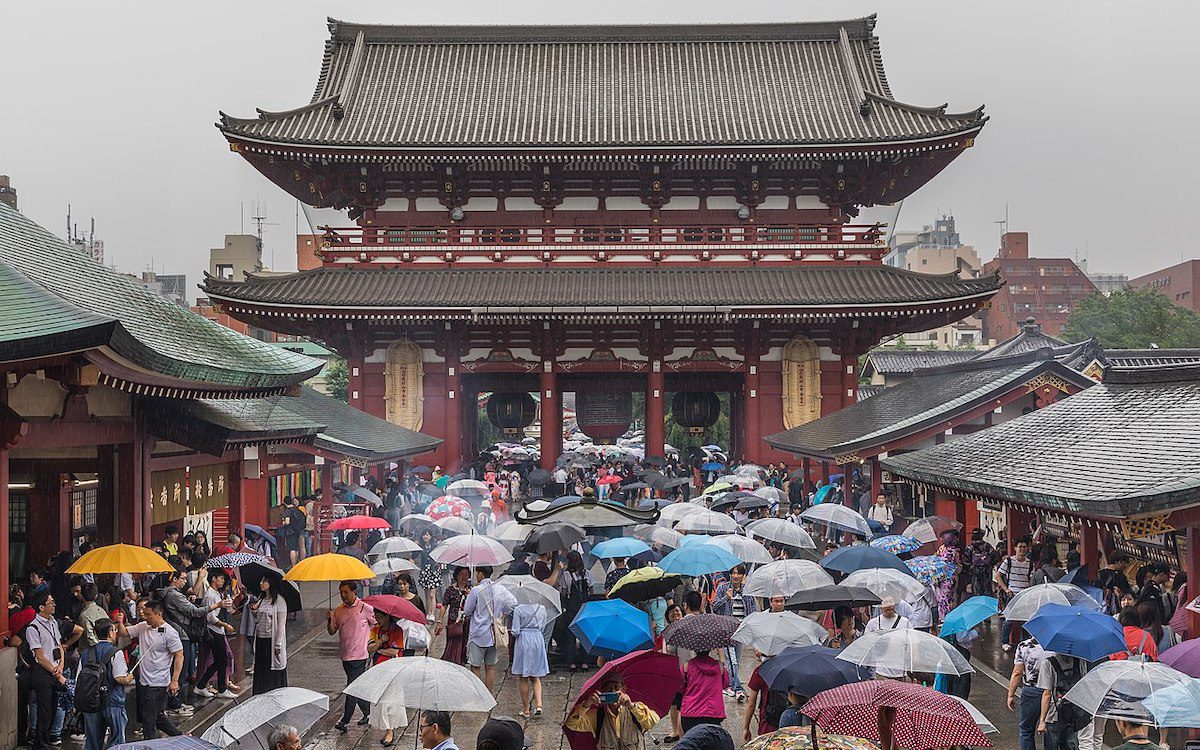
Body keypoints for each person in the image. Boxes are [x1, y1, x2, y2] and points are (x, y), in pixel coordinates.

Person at [160, 567, 229, 715]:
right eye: (183, 578)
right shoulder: (173, 595)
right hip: (180, 633)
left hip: (181, 633)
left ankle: (176, 702)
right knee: (179, 671)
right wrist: (217, 605)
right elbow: (195, 612)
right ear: (174, 578)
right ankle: (174, 705)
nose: (185, 581)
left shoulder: (175, 594)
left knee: (181, 670)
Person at [123, 599, 184, 739]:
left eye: (149, 614)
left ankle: (149, 743)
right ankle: (181, 736)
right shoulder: (143, 626)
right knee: (157, 716)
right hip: (143, 681)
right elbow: (124, 632)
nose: (145, 617)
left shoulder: (170, 633)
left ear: (159, 614)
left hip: (158, 682)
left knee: (148, 719)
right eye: (144, 614)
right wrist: (120, 622)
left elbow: (179, 655)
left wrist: (174, 680)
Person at [329, 580, 377, 732]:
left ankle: (345, 720)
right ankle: (368, 713)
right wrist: (329, 619)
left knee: (351, 687)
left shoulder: (365, 608)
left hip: (360, 654)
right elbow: (332, 631)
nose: (343, 595)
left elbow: (377, 624)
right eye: (341, 592)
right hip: (345, 654)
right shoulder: (338, 610)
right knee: (356, 686)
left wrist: (372, 642)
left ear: (354, 591)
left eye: (346, 592)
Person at [565, 675, 659, 750]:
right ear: (602, 692)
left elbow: (652, 721)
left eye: (616, 687)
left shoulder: (635, 709)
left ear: (623, 689)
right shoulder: (597, 716)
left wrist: (631, 706)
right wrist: (586, 704)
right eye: (608, 688)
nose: (613, 691)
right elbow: (571, 724)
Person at [79, 618, 132, 750]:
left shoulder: (85, 653)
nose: (116, 632)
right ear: (110, 633)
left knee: (92, 743)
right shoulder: (116, 652)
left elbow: (79, 679)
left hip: (91, 702)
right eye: (114, 630)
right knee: (117, 741)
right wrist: (129, 677)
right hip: (113, 701)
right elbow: (120, 678)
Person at [462, 566, 517, 691]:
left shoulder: (476, 590)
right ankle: (489, 695)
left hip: (478, 634)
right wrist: (502, 614)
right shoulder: (500, 589)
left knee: (475, 667)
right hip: (494, 635)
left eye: (477, 573)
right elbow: (513, 603)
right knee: (490, 667)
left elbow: (467, 610)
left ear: (481, 574)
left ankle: (478, 695)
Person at [25, 592, 66, 750]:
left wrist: (61, 665)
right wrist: (56, 672)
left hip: (56, 669)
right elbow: (40, 657)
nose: (53, 604)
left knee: (55, 707)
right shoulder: (33, 628)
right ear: (41, 607)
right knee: (45, 710)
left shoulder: (53, 622)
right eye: (51, 602)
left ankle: (47, 740)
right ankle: (40, 745)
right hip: (43, 672)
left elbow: (59, 646)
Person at [711, 565, 755, 702]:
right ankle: (738, 689)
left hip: (741, 630)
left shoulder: (747, 591)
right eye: (733, 573)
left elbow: (752, 611)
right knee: (732, 661)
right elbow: (715, 607)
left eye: (738, 573)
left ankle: (728, 684)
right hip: (727, 629)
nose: (735, 576)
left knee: (736, 660)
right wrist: (726, 598)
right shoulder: (723, 588)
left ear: (743, 576)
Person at [196, 569, 238, 699]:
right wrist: (226, 625)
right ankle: (219, 689)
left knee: (221, 660)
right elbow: (210, 618)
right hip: (214, 631)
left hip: (218, 631)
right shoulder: (210, 595)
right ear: (213, 579)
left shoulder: (217, 594)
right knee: (222, 660)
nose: (223, 581)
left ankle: (202, 685)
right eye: (220, 578)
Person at [366, 611, 407, 746]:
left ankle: (390, 731)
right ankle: (387, 728)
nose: (377, 620)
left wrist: (380, 650)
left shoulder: (397, 630)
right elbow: (369, 647)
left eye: (379, 617)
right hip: (378, 668)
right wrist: (381, 642)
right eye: (376, 617)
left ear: (386, 617)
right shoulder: (375, 630)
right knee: (381, 700)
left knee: (392, 700)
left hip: (394, 668)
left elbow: (395, 651)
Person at [1008, 632, 1051, 750]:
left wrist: (1011, 694)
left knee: (1026, 730)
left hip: (1031, 691)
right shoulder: (1056, 647)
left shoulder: (1024, 646)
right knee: (1049, 729)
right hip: (1052, 691)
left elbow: (1017, 673)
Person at [1038, 652, 1086, 750]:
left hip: (1053, 715)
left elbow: (1047, 694)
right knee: (1070, 744)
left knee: (1052, 745)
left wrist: (1042, 720)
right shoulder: (1080, 661)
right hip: (1073, 713)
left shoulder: (1048, 663)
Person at [511, 602, 549, 719]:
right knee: (535, 675)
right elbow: (543, 626)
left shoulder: (519, 609)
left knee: (523, 676)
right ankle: (539, 704)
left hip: (524, 639)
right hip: (538, 638)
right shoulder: (542, 608)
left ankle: (526, 709)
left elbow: (515, 630)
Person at [251, 574, 289, 694]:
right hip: (261, 640)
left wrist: (278, 644)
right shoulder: (261, 599)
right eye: (261, 581)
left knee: (272, 668)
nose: (261, 584)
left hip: (271, 641)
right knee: (261, 668)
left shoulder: (280, 601)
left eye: (265, 581)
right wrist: (254, 611)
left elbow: (281, 624)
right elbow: (258, 618)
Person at [557, 550, 592, 672]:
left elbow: (564, 592)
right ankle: (585, 662)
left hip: (572, 608)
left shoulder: (566, 575)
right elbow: (591, 590)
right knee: (585, 635)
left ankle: (571, 662)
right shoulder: (587, 573)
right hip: (585, 608)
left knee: (571, 635)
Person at [679, 649, 729, 733]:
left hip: (690, 712)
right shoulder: (719, 666)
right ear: (710, 649)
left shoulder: (686, 666)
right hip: (713, 713)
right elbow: (725, 684)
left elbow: (679, 687)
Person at [997, 538, 1034, 650]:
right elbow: (998, 575)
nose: (1022, 549)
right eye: (1020, 547)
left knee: (1025, 620)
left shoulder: (1030, 563)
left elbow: (1031, 579)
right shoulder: (1008, 561)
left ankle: (1026, 643)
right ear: (1015, 548)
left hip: (1025, 595)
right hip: (1012, 595)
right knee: (1009, 619)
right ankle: (1004, 642)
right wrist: (1006, 589)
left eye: (1024, 547)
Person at [864, 597, 912, 679]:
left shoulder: (905, 623)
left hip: (901, 671)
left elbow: (911, 644)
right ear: (881, 606)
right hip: (881, 672)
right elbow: (867, 645)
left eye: (891, 602)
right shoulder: (873, 623)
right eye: (886, 603)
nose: (889, 606)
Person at [435, 566, 472, 665]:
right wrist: (439, 621)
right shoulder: (450, 590)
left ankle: (462, 661)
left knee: (464, 643)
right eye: (461, 574)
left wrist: (469, 595)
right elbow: (444, 606)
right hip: (453, 621)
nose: (464, 577)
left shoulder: (471, 590)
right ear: (456, 575)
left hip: (466, 622)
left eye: (466, 574)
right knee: (452, 644)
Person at [75, 582, 109, 649]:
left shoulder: (84, 615)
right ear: (96, 596)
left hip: (90, 651)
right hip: (106, 646)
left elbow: (90, 637)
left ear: (82, 596)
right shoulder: (102, 611)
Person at [967, 529, 996, 596]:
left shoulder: (970, 547)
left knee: (976, 590)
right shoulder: (987, 546)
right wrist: (990, 564)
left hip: (975, 571)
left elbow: (966, 561)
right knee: (987, 590)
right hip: (986, 571)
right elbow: (995, 557)